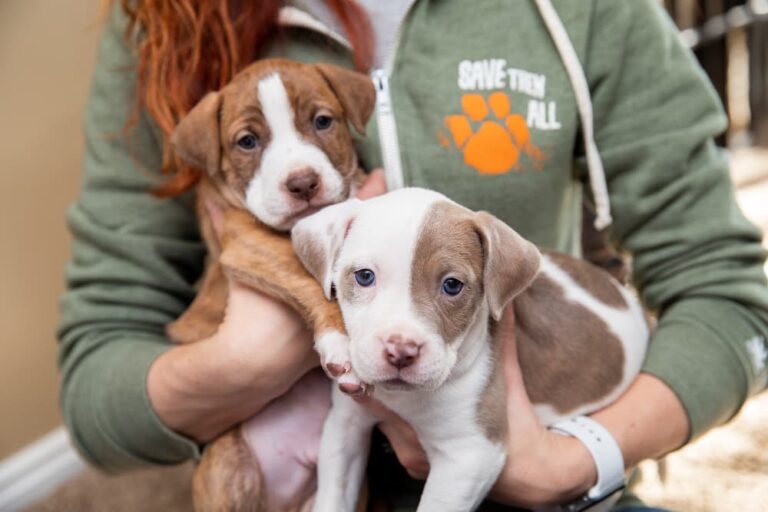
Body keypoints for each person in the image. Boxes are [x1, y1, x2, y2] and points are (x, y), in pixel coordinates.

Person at [58, 0, 768, 510]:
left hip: (543, 484)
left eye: (323, 124)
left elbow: (732, 295)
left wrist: (575, 460)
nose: (298, 171)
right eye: (251, 141)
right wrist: (247, 362)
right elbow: (95, 382)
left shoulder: (590, 11)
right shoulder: (162, 19)